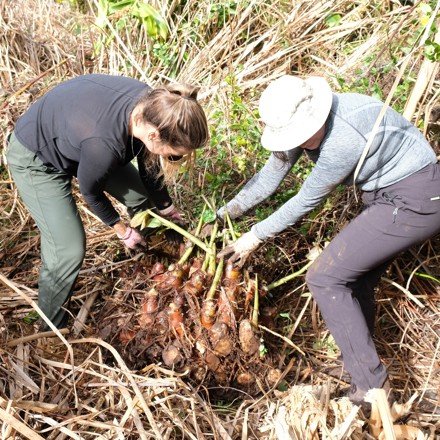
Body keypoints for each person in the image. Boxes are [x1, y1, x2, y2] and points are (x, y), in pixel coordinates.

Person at [216, 75, 440, 410]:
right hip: (385, 197)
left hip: (416, 198)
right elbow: (269, 177)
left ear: (317, 116)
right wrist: (222, 216)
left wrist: (253, 237)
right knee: (354, 279)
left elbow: (306, 200)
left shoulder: (343, 137)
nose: (300, 143)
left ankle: (370, 389)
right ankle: (360, 365)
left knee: (325, 277)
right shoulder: (300, 124)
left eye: (303, 136)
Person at [7, 74, 209, 330]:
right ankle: (50, 328)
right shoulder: (105, 145)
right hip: (38, 158)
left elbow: (148, 164)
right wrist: (123, 231)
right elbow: (90, 191)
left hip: (80, 138)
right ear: (155, 135)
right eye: (174, 156)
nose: (174, 160)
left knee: (142, 199)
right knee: (68, 248)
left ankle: (155, 265)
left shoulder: (155, 108)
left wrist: (165, 206)